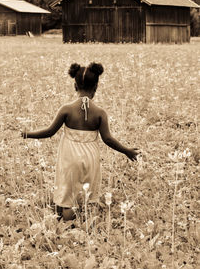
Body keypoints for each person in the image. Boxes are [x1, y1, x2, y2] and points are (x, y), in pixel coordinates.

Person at [22, 62, 139, 221]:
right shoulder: (100, 113)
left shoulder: (66, 109)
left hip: (70, 156)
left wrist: (28, 134)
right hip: (91, 158)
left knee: (68, 194)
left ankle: (68, 226)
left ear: (75, 85)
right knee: (89, 191)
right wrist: (127, 151)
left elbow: (49, 132)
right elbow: (108, 139)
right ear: (96, 86)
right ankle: (88, 223)